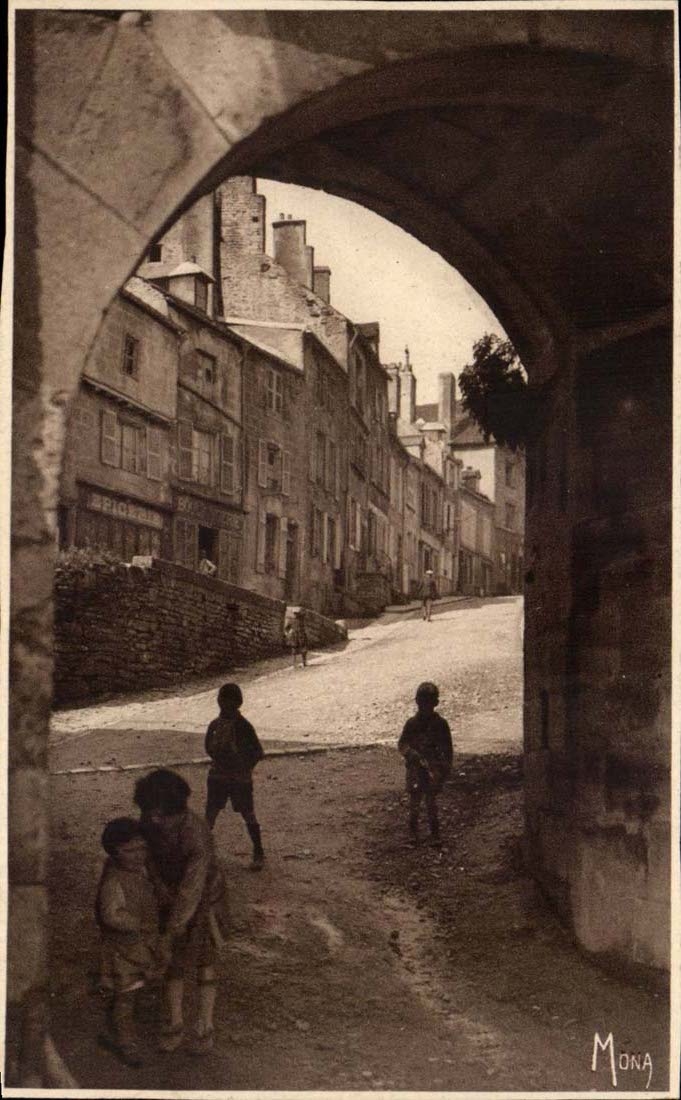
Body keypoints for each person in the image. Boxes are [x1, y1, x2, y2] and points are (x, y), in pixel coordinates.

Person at [134, 769, 229, 1056]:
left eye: (161, 814)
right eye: (150, 812)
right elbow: (148, 857)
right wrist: (159, 886)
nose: (154, 820)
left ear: (179, 810)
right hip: (171, 896)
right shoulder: (150, 819)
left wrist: (172, 931)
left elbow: (192, 889)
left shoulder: (197, 835)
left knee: (204, 960)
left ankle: (205, 1025)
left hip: (202, 898)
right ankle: (175, 1023)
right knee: (173, 963)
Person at [95, 817, 162, 1067]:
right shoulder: (114, 881)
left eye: (142, 848)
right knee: (126, 997)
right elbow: (110, 914)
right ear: (115, 852)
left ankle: (121, 1030)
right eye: (129, 850)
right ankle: (125, 1042)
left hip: (140, 945)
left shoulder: (140, 872)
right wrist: (136, 922)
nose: (138, 855)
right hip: (124, 949)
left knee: (134, 993)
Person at [204, 682, 266, 870]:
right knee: (210, 815)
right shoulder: (215, 725)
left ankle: (258, 851)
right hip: (219, 776)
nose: (224, 705)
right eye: (222, 701)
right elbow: (208, 746)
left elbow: (257, 752)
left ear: (237, 703)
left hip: (238, 778)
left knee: (248, 814)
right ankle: (202, 853)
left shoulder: (244, 726)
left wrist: (244, 768)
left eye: (229, 701)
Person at [398, 681, 453, 847]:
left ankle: (435, 835)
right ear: (417, 703)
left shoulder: (441, 724)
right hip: (415, 769)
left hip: (433, 769)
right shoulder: (411, 724)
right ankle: (413, 834)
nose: (425, 708)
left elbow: (447, 749)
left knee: (431, 803)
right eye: (423, 704)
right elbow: (402, 744)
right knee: (414, 803)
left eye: (428, 704)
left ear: (435, 704)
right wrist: (410, 753)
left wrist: (444, 769)